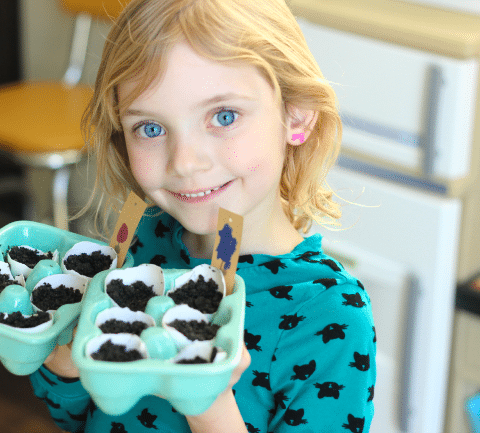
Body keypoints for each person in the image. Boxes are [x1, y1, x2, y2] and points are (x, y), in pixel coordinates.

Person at [30, 0, 376, 432]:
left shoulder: (331, 319)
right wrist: (65, 367)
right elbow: (84, 418)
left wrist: (209, 408)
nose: (184, 163)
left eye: (223, 116)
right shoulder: (143, 239)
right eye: (150, 128)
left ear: (297, 116)